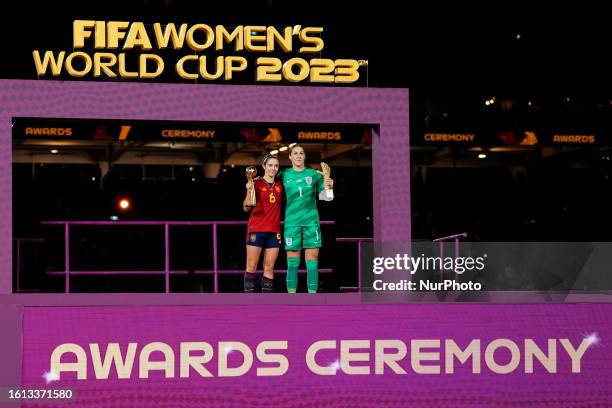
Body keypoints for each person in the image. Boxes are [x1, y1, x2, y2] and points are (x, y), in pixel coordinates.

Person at [280, 144, 333, 293]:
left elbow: (326, 198)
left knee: (312, 261)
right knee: (292, 262)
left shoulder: (314, 174)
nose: (298, 156)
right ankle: (292, 298)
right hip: (292, 223)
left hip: (311, 223)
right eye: (295, 153)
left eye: (301, 153)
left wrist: (329, 185)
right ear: (289, 157)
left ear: (304, 156)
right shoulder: (283, 174)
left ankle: (312, 298)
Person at [243, 154, 283, 293]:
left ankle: (266, 303)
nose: (273, 168)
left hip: (274, 231)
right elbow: (246, 208)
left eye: (276, 166)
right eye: (270, 165)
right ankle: (249, 302)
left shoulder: (280, 185)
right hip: (256, 229)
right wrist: (249, 190)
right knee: (251, 265)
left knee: (269, 267)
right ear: (264, 167)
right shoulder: (256, 183)